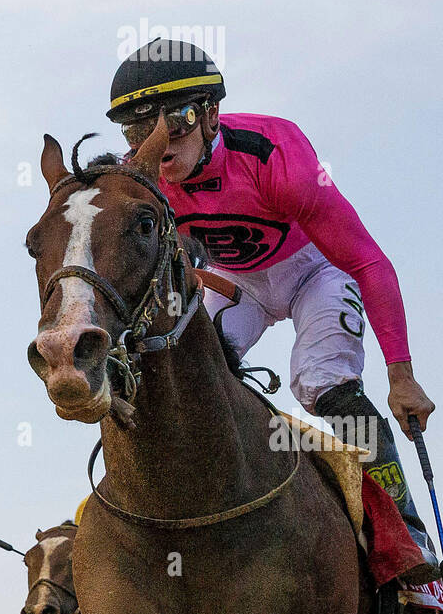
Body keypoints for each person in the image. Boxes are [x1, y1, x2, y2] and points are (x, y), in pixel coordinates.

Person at [107, 38, 437, 581]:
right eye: (138, 130)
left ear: (211, 114)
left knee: (323, 384)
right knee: (187, 376)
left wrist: (402, 376)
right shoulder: (140, 185)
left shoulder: (274, 156)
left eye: (177, 121)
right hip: (237, 282)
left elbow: (369, 263)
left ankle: (405, 534)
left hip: (314, 271)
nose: (159, 144)